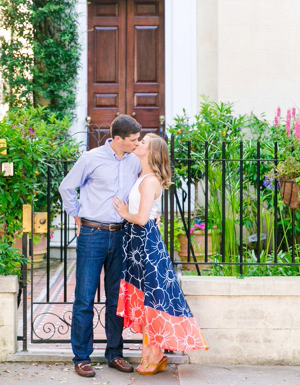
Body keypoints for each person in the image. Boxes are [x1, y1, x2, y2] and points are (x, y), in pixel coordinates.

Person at [113, 133, 209, 376]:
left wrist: (125, 213)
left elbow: (142, 218)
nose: (138, 144)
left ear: (151, 152)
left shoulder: (150, 181)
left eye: (143, 142)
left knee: (152, 298)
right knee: (146, 298)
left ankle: (155, 354)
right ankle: (152, 353)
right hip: (137, 244)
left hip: (145, 244)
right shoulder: (142, 176)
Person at [59, 114, 142, 378]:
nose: (136, 144)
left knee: (117, 298)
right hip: (92, 234)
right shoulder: (91, 158)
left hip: (121, 236)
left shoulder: (134, 161)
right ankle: (81, 357)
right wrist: (77, 214)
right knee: (84, 297)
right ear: (117, 139)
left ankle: (114, 353)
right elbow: (67, 187)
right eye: (132, 140)